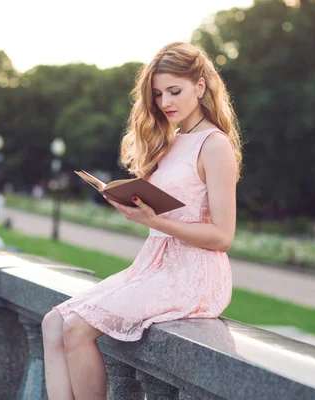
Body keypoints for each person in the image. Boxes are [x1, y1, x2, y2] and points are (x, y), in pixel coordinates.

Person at [41, 42, 242, 399]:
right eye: (159, 93)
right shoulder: (173, 139)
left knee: (75, 328)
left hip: (194, 275)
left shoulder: (215, 145)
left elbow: (223, 236)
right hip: (155, 263)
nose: (166, 102)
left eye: (175, 91)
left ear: (200, 86)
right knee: (52, 322)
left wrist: (155, 221)